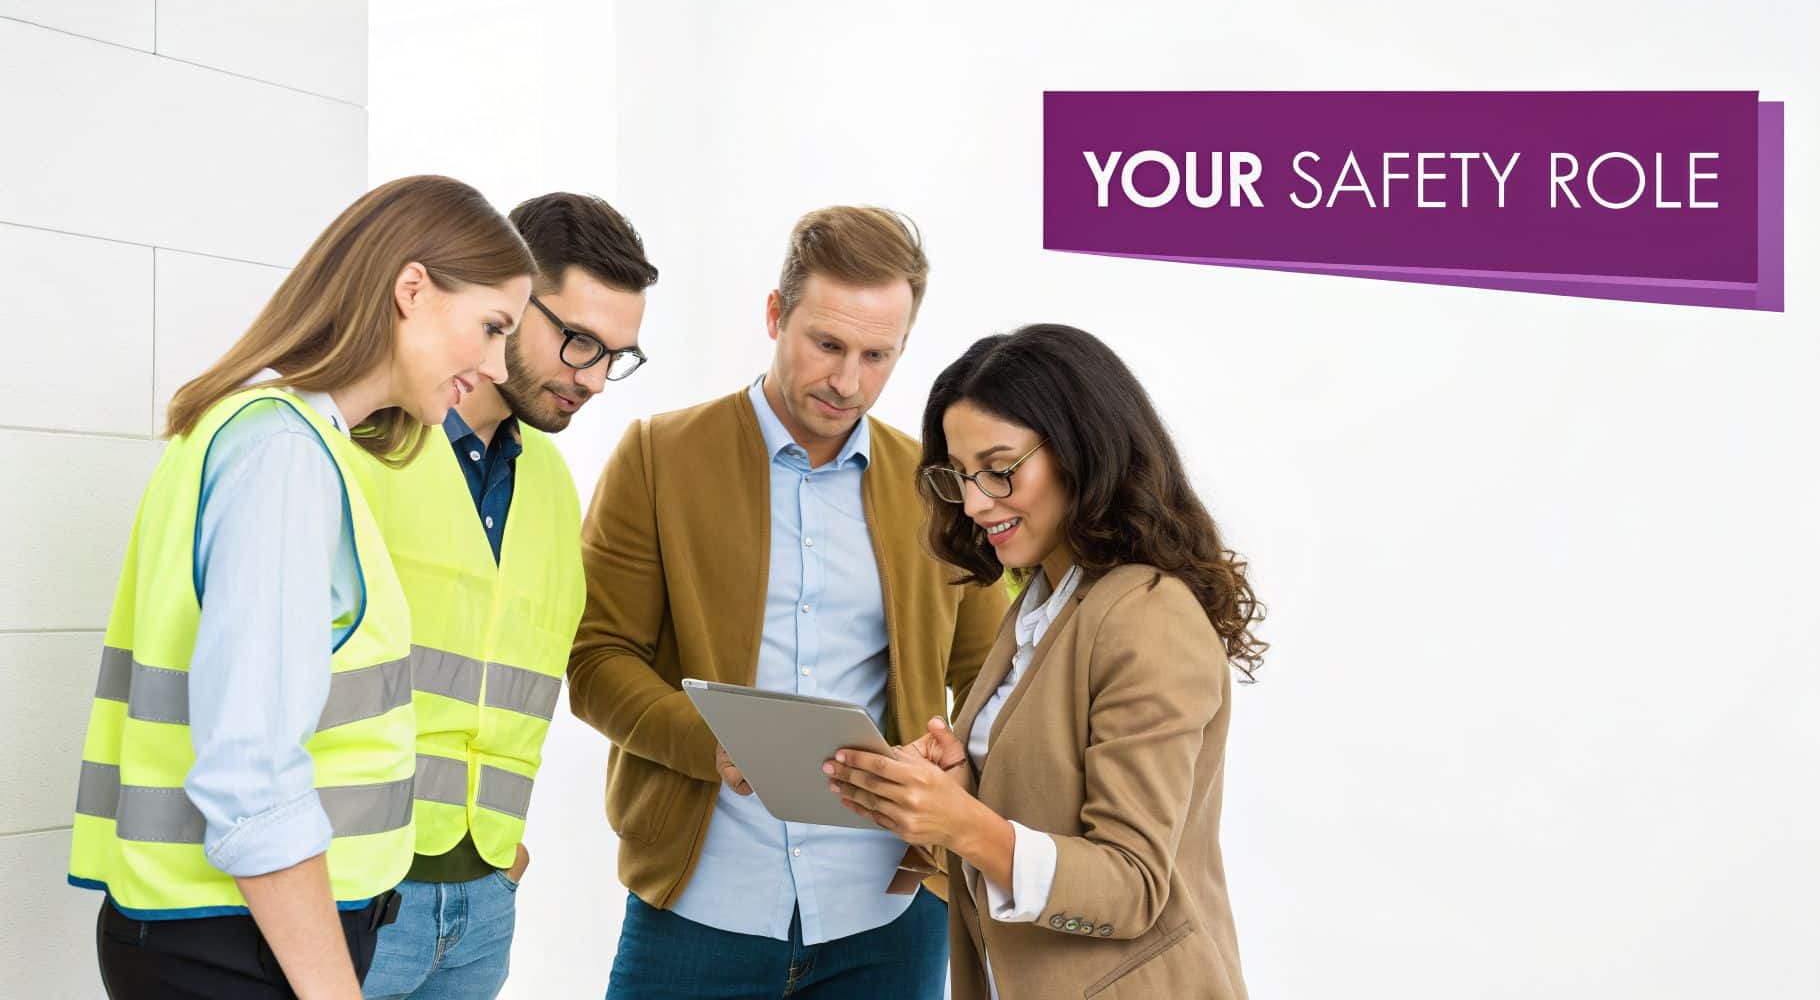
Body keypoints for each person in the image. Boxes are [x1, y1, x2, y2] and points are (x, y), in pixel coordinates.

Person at [68, 175, 536, 999]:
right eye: (492, 327)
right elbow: (249, 777)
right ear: (412, 288)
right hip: (237, 947)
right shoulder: (282, 455)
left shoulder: (282, 438)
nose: (498, 365)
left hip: (224, 936)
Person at [568, 206, 1008, 999]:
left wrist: (958, 761)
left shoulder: (941, 488)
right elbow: (596, 662)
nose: (848, 381)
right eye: (828, 344)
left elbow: (996, 677)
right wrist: (710, 743)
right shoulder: (659, 458)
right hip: (700, 899)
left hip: (891, 911)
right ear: (776, 314)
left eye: (879, 355)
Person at [826, 323, 1263, 999]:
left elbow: (1131, 884)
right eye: (960, 476)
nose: (975, 503)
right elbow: (1044, 808)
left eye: (1000, 469)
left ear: (1080, 452)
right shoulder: (1043, 602)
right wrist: (959, 787)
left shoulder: (1146, 615)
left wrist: (961, 820)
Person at [357, 192, 658, 1000]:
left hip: (483, 901)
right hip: (350, 893)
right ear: (510, 299)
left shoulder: (553, 486)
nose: (594, 379)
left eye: (616, 355)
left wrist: (502, 869)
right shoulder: (361, 442)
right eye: (579, 342)